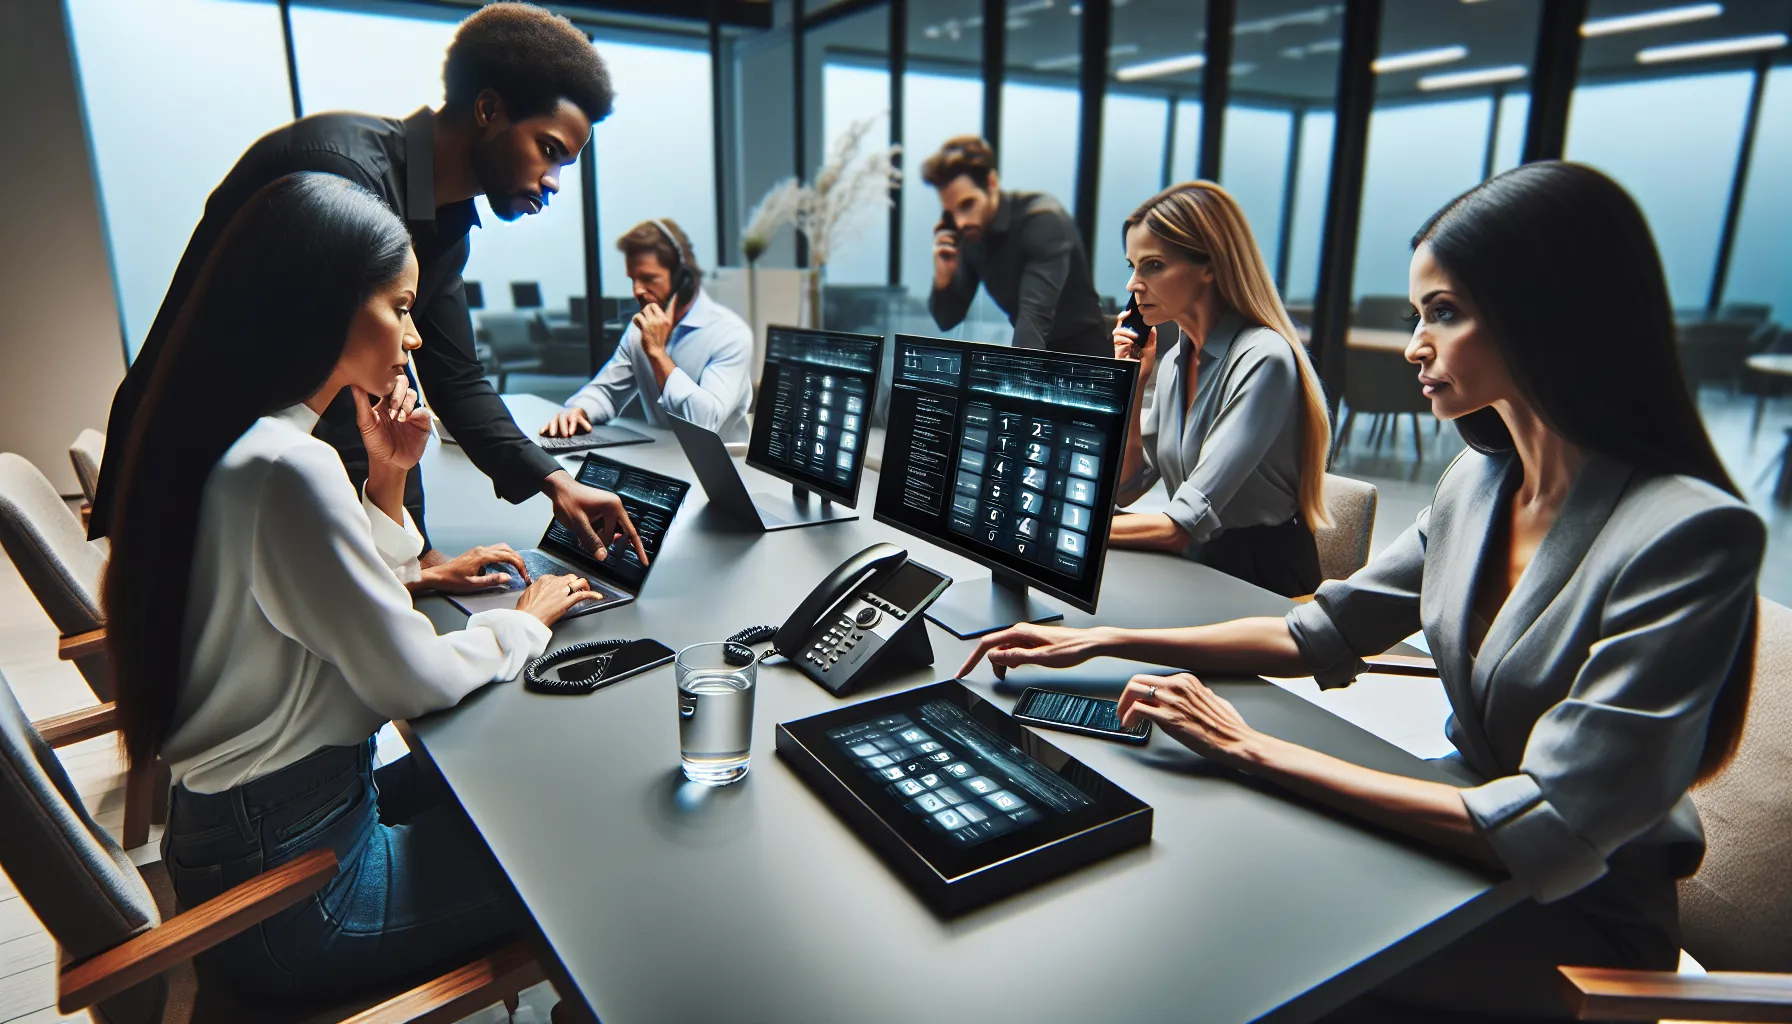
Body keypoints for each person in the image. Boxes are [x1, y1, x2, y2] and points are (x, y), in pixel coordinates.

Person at [958, 162, 1763, 1019]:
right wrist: (1105, 642)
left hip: (1572, 918)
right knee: (1196, 882)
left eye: (1443, 313)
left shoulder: (1690, 533)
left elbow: (1552, 824)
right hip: (1448, 843)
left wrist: (1249, 749)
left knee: (1239, 961)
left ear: (1550, 314)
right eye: (1420, 314)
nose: (1415, 344)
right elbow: (1318, 632)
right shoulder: (1477, 483)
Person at [102, 173, 597, 1004]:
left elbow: (294, 593)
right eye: (400, 307)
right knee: (582, 846)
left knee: (513, 790)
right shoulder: (288, 467)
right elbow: (413, 679)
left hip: (248, 836)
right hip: (299, 894)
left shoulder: (230, 441)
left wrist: (387, 482)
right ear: (325, 302)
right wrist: (525, 623)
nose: (412, 337)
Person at [90, 1, 642, 584]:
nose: (554, 182)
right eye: (549, 149)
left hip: (261, 488)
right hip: (198, 485)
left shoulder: (445, 225)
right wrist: (408, 554)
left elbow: (452, 378)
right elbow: (332, 387)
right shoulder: (338, 176)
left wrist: (556, 484)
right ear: (488, 109)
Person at [1108, 182, 1332, 597]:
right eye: (1132, 267)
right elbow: (1126, 488)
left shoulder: (1263, 358)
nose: (1133, 285)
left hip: (1260, 581)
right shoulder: (1177, 359)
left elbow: (1180, 526)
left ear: (1210, 266)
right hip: (1198, 568)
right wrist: (1133, 386)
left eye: (1153, 266)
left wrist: (1065, 532)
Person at [541, 218, 752, 441]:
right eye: (633, 279)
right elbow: (606, 391)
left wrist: (657, 352)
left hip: (723, 465)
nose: (637, 291)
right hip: (662, 456)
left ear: (683, 279)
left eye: (648, 278)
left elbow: (705, 423)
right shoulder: (639, 330)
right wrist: (579, 410)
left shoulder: (729, 334)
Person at [923, 136, 1109, 356]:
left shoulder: (1043, 221)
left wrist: (1015, 376)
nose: (961, 221)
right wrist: (944, 278)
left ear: (991, 183)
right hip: (1034, 351)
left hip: (1086, 356)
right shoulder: (972, 233)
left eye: (967, 204)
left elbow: (1034, 320)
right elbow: (947, 320)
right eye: (952, 212)